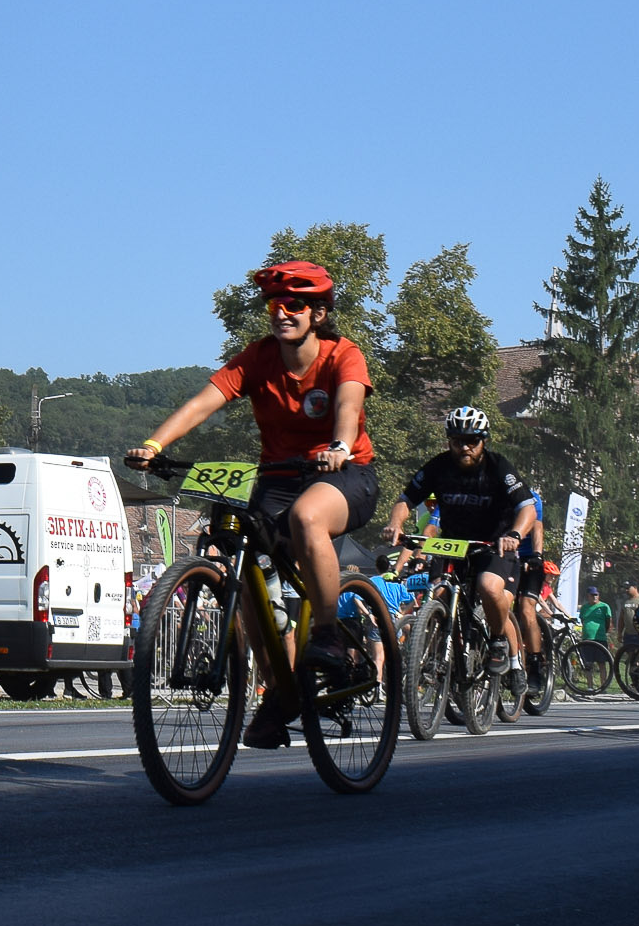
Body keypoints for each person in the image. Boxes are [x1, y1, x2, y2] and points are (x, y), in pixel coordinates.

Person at [126, 260, 377, 750]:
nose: (282, 312)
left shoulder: (343, 355)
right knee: (244, 575)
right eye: (275, 304)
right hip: (278, 479)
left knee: (307, 517)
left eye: (295, 304)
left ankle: (327, 633)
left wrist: (340, 446)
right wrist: (154, 446)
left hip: (343, 474)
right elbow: (203, 402)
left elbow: (348, 406)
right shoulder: (258, 358)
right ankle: (279, 694)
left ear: (319, 313)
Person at [384, 405, 544, 715]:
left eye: (472, 441)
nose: (465, 447)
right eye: (458, 441)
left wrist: (514, 534)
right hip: (454, 545)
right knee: (437, 594)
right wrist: (395, 524)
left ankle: (499, 643)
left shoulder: (499, 467)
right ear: (449, 441)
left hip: (494, 545)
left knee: (488, 587)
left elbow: (527, 508)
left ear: (484, 441)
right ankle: (437, 656)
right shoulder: (439, 467)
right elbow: (405, 500)